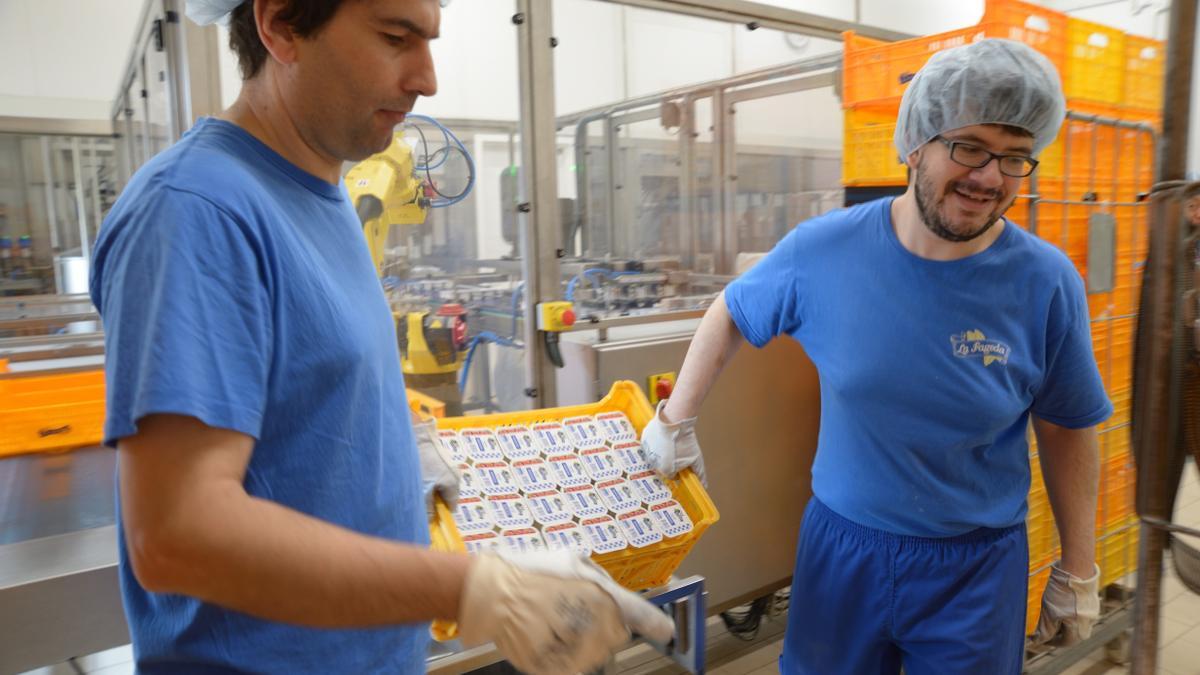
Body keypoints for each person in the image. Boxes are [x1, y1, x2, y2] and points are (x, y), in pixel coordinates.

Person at [89, 1, 671, 673]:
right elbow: (177, 534)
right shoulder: (197, 210)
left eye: (429, 42)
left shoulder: (320, 191)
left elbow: (307, 397)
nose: (428, 78)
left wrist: (392, 453)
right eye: (396, 38)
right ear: (279, 26)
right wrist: (472, 586)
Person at [641, 39, 1109, 674]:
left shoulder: (1046, 281)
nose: (990, 178)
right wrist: (676, 422)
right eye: (968, 147)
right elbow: (731, 309)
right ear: (914, 144)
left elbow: (1068, 425)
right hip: (844, 551)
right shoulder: (824, 251)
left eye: (1015, 158)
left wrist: (1079, 567)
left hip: (975, 570)